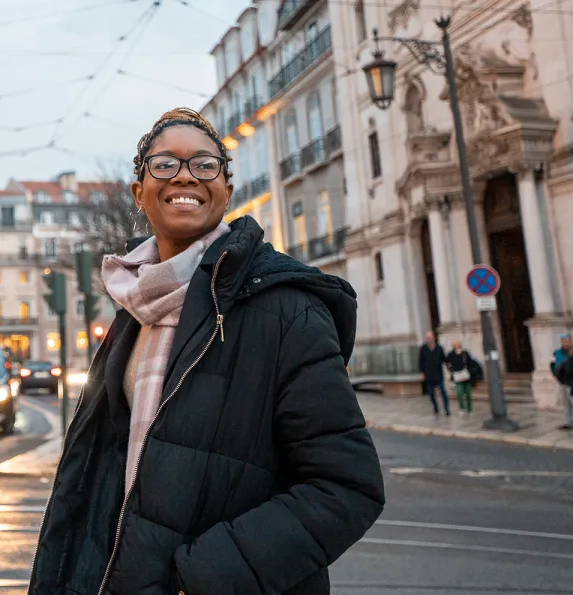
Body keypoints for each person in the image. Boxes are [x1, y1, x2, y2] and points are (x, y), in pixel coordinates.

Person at [29, 109, 384, 595]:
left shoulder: (289, 309)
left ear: (226, 190)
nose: (185, 177)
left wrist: (200, 578)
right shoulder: (133, 308)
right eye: (165, 165)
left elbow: (348, 487)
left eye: (204, 164)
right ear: (139, 193)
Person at [446, 340, 482, 415]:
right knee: (459, 392)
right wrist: (452, 370)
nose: (456, 347)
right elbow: (448, 364)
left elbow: (470, 362)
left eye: (457, 345)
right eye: (455, 346)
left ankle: (470, 409)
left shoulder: (465, 353)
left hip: (466, 376)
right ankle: (461, 408)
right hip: (457, 377)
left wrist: (471, 370)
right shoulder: (450, 355)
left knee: (468, 394)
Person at [419, 331, 450, 417]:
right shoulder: (423, 348)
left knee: (443, 392)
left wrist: (448, 364)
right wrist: (421, 373)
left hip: (439, 375)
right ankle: (436, 407)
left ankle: (446, 409)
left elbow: (444, 358)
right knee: (431, 394)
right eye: (427, 338)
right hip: (428, 375)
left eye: (429, 337)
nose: (428, 339)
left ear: (433, 338)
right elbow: (421, 361)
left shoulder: (439, 348)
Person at [551, 333, 573, 430]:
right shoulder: (556, 353)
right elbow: (552, 365)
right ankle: (568, 422)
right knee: (566, 403)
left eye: (568, 341)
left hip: (572, 381)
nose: (567, 343)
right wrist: (556, 375)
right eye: (565, 341)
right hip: (561, 381)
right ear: (561, 342)